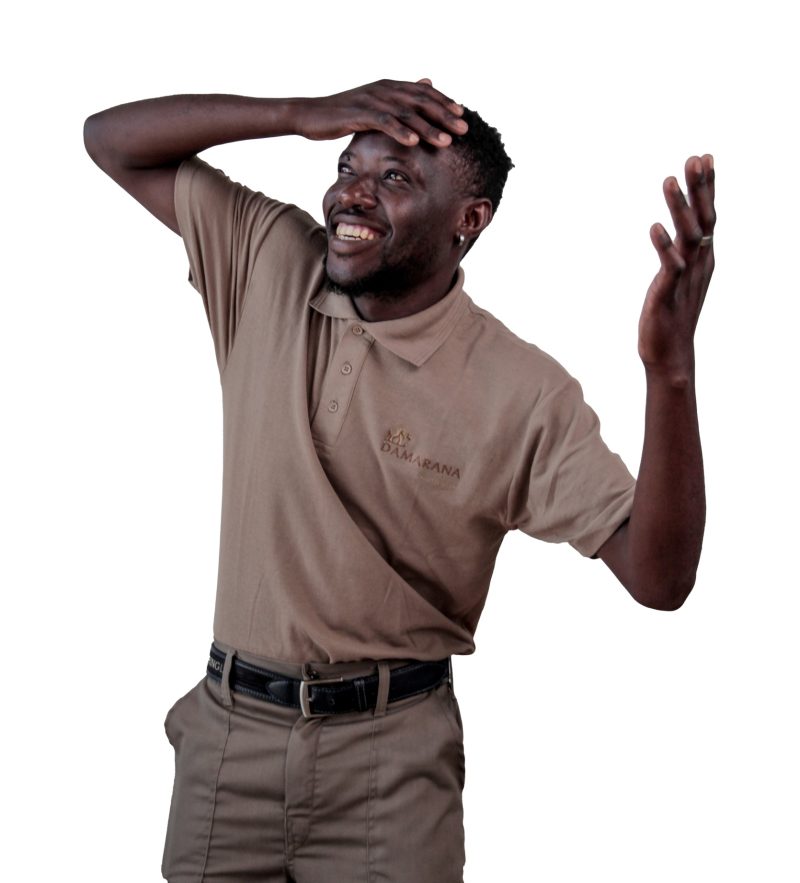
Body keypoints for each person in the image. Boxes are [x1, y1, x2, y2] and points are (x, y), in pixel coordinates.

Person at [84, 78, 714, 883]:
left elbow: (660, 578)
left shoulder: (522, 392)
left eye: (394, 178)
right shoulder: (268, 258)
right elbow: (110, 140)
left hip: (391, 765)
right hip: (229, 743)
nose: (352, 192)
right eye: (348, 166)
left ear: (469, 219)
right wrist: (297, 115)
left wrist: (671, 374)